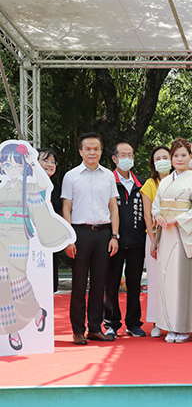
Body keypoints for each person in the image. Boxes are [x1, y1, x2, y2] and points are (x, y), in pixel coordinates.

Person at [1, 142, 73, 352]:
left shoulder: (29, 185)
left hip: (19, 236)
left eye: (16, 164)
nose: (11, 168)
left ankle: (34, 312)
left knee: (17, 279)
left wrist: (33, 160)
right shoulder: (1, 186)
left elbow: (43, 185)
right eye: (6, 164)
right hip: (1, 236)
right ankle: (12, 329)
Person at [61, 132, 120, 345]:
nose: (92, 152)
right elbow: (66, 208)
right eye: (88, 148)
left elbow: (113, 207)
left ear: (101, 151)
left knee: (99, 284)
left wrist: (114, 236)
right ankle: (78, 330)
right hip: (79, 233)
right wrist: (69, 239)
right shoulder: (71, 176)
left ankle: (95, 328)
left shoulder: (108, 176)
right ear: (80, 151)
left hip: (104, 234)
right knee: (78, 284)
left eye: (96, 148)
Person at [152, 138, 192, 344]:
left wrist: (178, 219)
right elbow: (157, 204)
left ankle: (182, 326)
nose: (180, 159)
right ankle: (168, 324)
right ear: (171, 158)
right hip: (166, 232)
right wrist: (157, 215)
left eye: (184, 155)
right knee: (166, 278)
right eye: (176, 155)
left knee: (183, 280)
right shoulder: (165, 181)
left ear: (191, 157)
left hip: (184, 233)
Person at [103, 142, 147, 338]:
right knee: (111, 283)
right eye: (123, 155)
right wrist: (113, 236)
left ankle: (133, 322)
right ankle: (111, 323)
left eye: (130, 154)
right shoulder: (107, 181)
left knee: (135, 283)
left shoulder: (141, 184)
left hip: (137, 241)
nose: (127, 158)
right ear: (114, 158)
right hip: (114, 241)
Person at [140, 145, 171, 338]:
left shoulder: (180, 181)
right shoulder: (150, 184)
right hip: (156, 237)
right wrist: (153, 242)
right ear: (153, 162)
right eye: (157, 158)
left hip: (177, 236)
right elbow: (147, 215)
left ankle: (174, 320)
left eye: (165, 157)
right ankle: (156, 322)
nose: (162, 161)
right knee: (155, 280)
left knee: (174, 281)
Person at [37, 148, 62, 292]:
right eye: (45, 160)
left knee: (49, 284)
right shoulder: (24, 186)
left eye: (53, 162)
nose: (50, 164)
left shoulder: (57, 189)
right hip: (28, 241)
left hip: (51, 242)